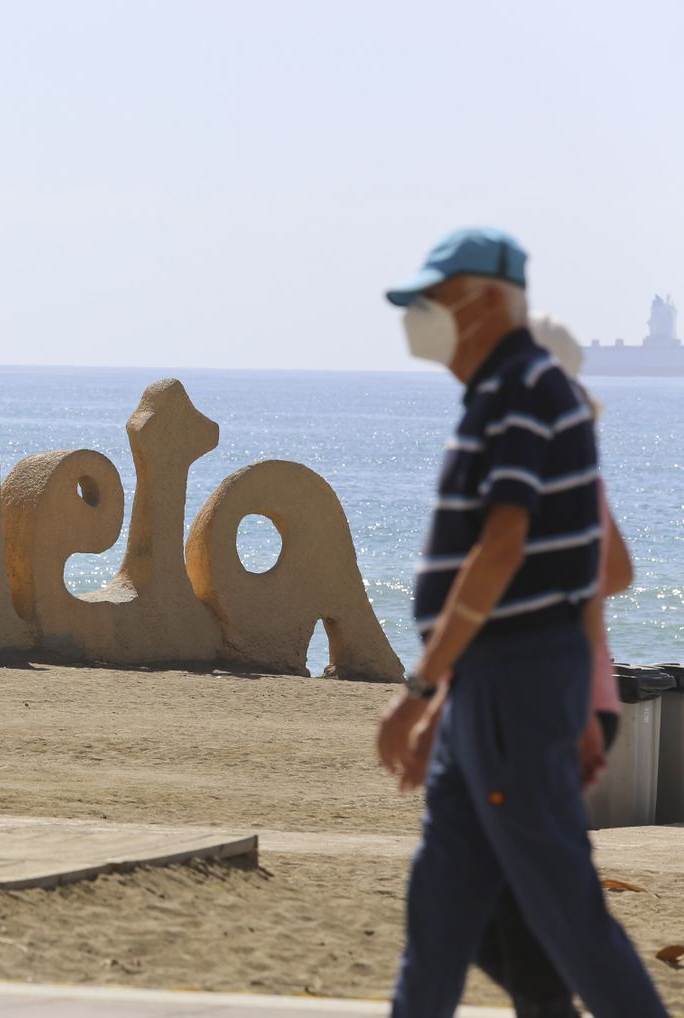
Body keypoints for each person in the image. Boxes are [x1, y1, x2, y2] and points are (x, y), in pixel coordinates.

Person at [374, 227, 665, 1016]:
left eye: (432, 300)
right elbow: (560, 576)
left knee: (566, 918)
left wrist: (420, 685)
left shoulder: (521, 390)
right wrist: (449, 701)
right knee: (438, 921)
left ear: (482, 302)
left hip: (512, 686)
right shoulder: (507, 392)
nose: (418, 316)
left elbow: (504, 550)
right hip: (495, 687)